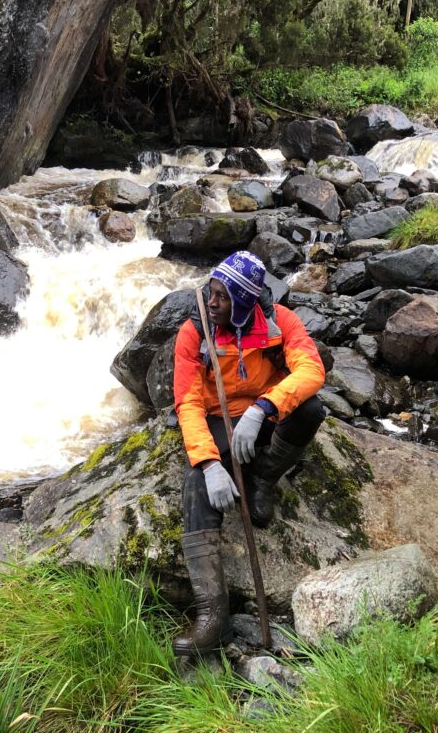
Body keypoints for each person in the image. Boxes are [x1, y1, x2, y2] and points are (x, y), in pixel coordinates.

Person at [171, 250, 326, 656]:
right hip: (217, 415)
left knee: (310, 409)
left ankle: (262, 479)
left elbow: (312, 371)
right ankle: (213, 619)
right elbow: (187, 402)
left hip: (263, 408)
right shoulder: (195, 330)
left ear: (244, 302)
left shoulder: (280, 322)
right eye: (211, 291)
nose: (212, 301)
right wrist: (208, 463)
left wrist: (265, 408)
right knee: (196, 487)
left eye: (222, 296)